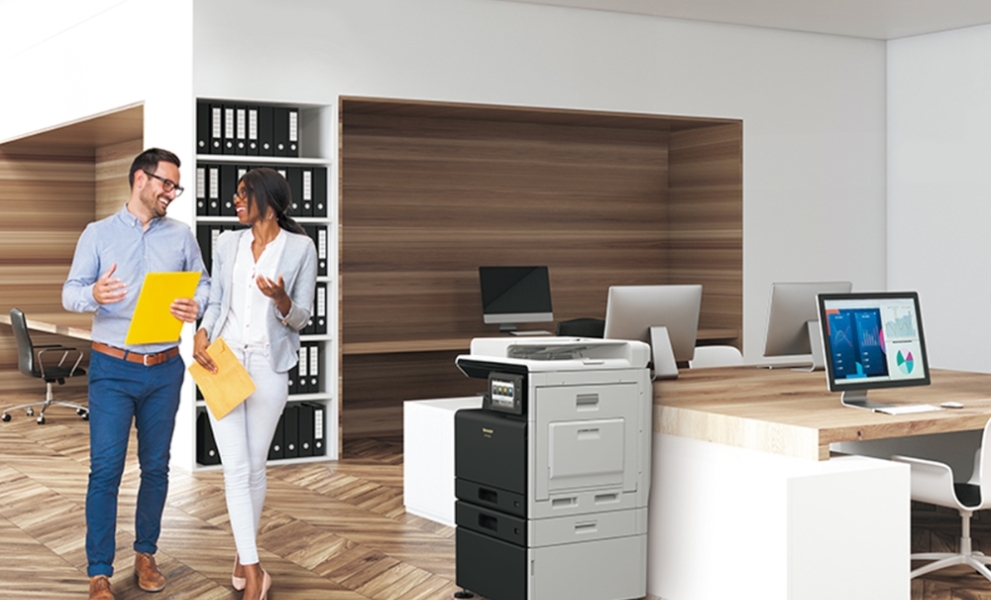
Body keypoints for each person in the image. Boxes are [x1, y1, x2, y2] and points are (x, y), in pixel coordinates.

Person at [63, 148, 210, 600]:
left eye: (175, 186)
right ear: (140, 180)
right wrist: (94, 292)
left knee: (156, 467)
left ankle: (146, 554)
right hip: (112, 367)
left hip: (165, 368)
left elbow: (203, 282)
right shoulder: (98, 234)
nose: (172, 193)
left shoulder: (181, 236)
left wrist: (197, 304)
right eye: (167, 184)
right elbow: (70, 293)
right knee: (105, 470)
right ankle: (99, 572)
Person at [193, 167, 317, 600]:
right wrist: (202, 332)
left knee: (255, 466)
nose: (235, 200)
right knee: (236, 468)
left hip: (269, 364)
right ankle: (254, 571)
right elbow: (217, 301)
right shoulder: (227, 243)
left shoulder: (301, 247)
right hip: (223, 361)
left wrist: (281, 300)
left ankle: (242, 553)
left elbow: (303, 316)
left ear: (267, 199)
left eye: (243, 194)